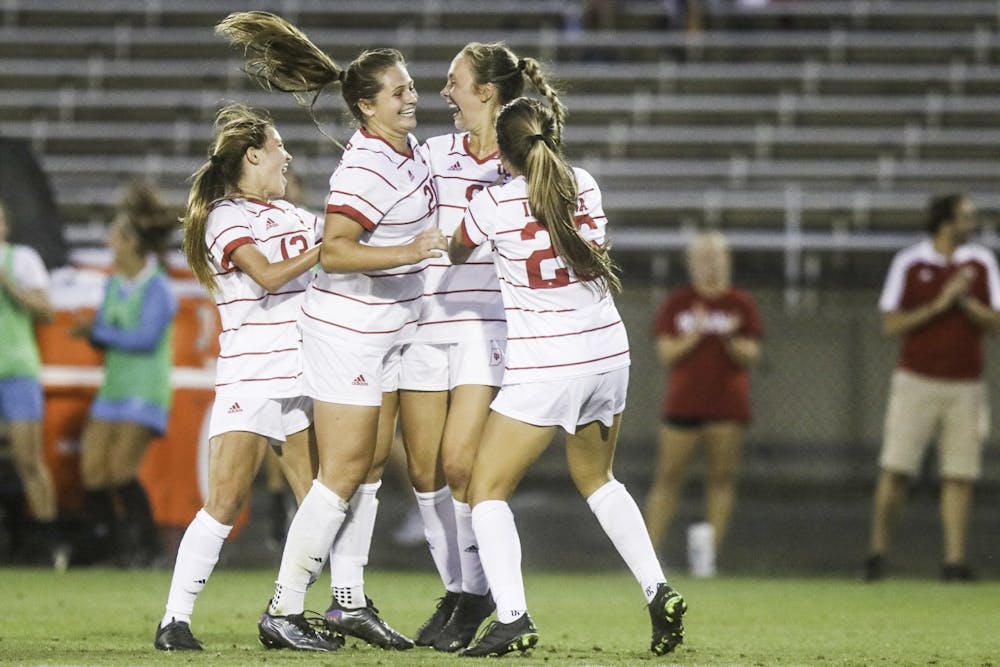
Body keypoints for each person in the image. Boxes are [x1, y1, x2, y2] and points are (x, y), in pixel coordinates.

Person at [216, 12, 447, 652]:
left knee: (368, 466)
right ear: (368, 107)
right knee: (342, 471)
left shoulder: (406, 154)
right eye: (399, 91)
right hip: (347, 331)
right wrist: (413, 252)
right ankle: (283, 608)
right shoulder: (366, 165)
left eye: (411, 87)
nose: (412, 98)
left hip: (386, 329)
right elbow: (337, 250)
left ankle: (347, 603)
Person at [449, 97, 687, 658]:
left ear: (506, 154)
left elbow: (459, 252)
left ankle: (512, 617)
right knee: (599, 479)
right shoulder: (584, 183)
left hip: (548, 363)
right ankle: (658, 592)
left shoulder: (495, 203)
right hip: (608, 356)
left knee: (486, 490)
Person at [402, 43, 566, 653]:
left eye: (454, 82)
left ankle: (477, 597)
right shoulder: (432, 153)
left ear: (487, 92)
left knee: (461, 464)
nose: (443, 92)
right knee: (422, 471)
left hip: (485, 325)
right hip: (423, 322)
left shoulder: (524, 161)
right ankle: (460, 589)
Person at [153, 104, 326, 651]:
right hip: (252, 373)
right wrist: (331, 250)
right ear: (253, 154)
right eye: (279, 147)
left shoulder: (294, 215)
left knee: (323, 500)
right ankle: (174, 620)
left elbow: (347, 249)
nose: (288, 157)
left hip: (304, 372)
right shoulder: (226, 218)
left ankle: (289, 611)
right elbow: (271, 276)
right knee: (226, 500)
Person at [863, 193, 1000, 582]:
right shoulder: (910, 262)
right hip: (917, 380)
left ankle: (953, 562)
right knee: (897, 468)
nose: (971, 225)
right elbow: (891, 324)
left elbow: (995, 322)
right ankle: (877, 554)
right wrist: (941, 303)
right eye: (965, 217)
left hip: (965, 385)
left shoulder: (981, 263)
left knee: (959, 474)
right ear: (946, 222)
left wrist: (965, 300)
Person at [643, 231, 762, 576]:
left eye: (716, 256)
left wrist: (729, 340)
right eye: (703, 256)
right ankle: (648, 557)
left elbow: (751, 354)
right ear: (691, 262)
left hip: (727, 405)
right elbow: (665, 352)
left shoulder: (740, 303)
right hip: (683, 404)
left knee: (721, 478)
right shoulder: (678, 303)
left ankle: (707, 558)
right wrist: (693, 336)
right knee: (667, 477)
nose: (710, 263)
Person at [71, 181, 177, 569]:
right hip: (113, 388)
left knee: (120, 470)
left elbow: (145, 339)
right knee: (93, 470)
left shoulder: (159, 288)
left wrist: (97, 332)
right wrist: (93, 331)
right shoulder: (114, 284)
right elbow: (107, 332)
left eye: (116, 234)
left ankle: (147, 548)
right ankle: (108, 546)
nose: (109, 241)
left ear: (132, 243)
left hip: (145, 391)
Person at [0, 197, 62, 567]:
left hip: (17, 370)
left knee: (28, 459)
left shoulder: (20, 259)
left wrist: (8, 285)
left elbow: (46, 310)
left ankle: (49, 542)